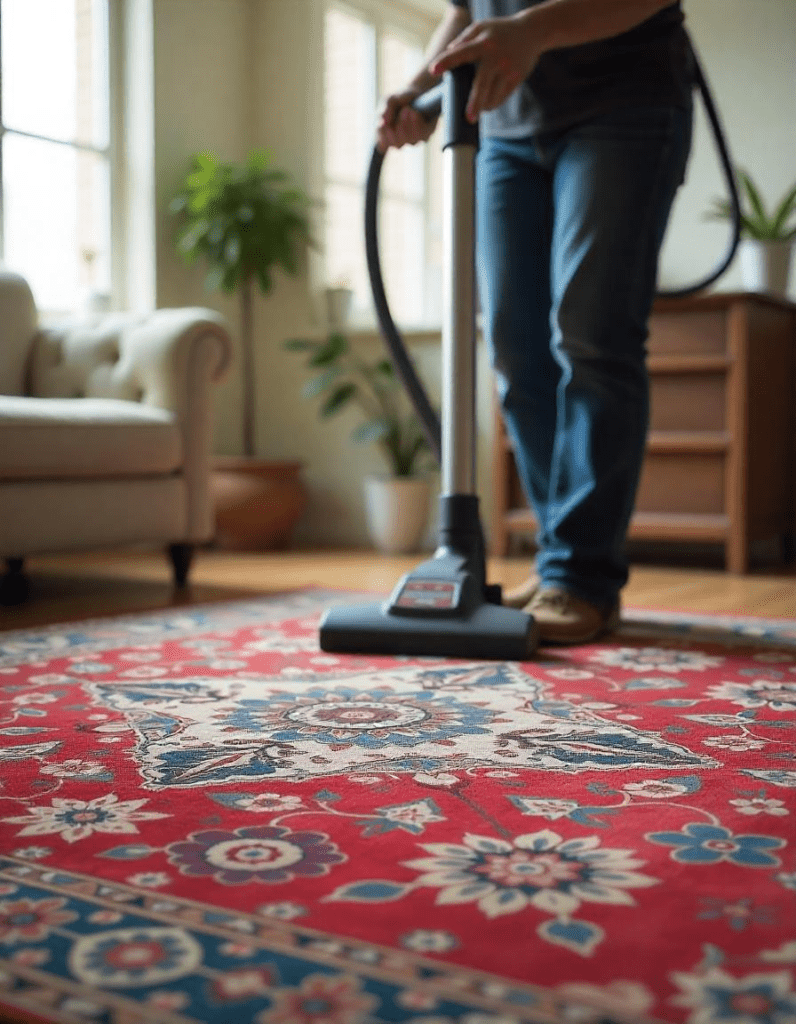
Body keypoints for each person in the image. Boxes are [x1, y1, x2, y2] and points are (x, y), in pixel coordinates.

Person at [377, 0, 694, 644]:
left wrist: (534, 30)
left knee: (591, 334)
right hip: (502, 127)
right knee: (515, 350)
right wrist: (420, 87)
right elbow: (465, 9)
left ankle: (581, 576)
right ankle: (561, 564)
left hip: (623, 104)